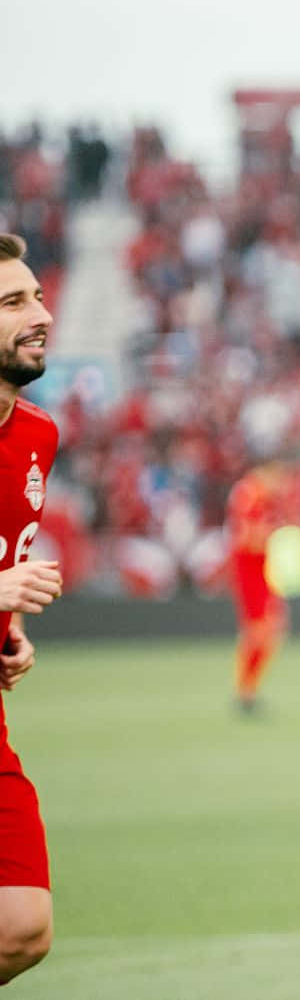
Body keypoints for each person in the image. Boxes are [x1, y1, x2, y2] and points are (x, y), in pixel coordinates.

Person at [0, 233, 63, 983]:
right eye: (13, 303)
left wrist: (7, 634)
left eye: (38, 296)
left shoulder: (39, 434)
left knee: (23, 925)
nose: (40, 313)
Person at [226, 462, 289, 714]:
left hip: (259, 569)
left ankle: (248, 689)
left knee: (271, 628)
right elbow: (247, 537)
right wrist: (268, 531)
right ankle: (245, 691)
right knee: (259, 630)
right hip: (248, 569)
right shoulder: (249, 495)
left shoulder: (262, 497)